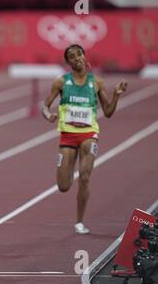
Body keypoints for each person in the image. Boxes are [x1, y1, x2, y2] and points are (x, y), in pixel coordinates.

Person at [41, 44, 127, 234]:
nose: (77, 58)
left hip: (89, 134)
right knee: (63, 186)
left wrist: (116, 95)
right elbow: (45, 106)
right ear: (68, 62)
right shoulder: (61, 82)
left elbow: (108, 112)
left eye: (79, 54)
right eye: (72, 56)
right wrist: (48, 114)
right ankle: (69, 166)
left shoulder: (96, 82)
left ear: (85, 56)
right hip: (67, 136)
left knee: (85, 177)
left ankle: (79, 221)